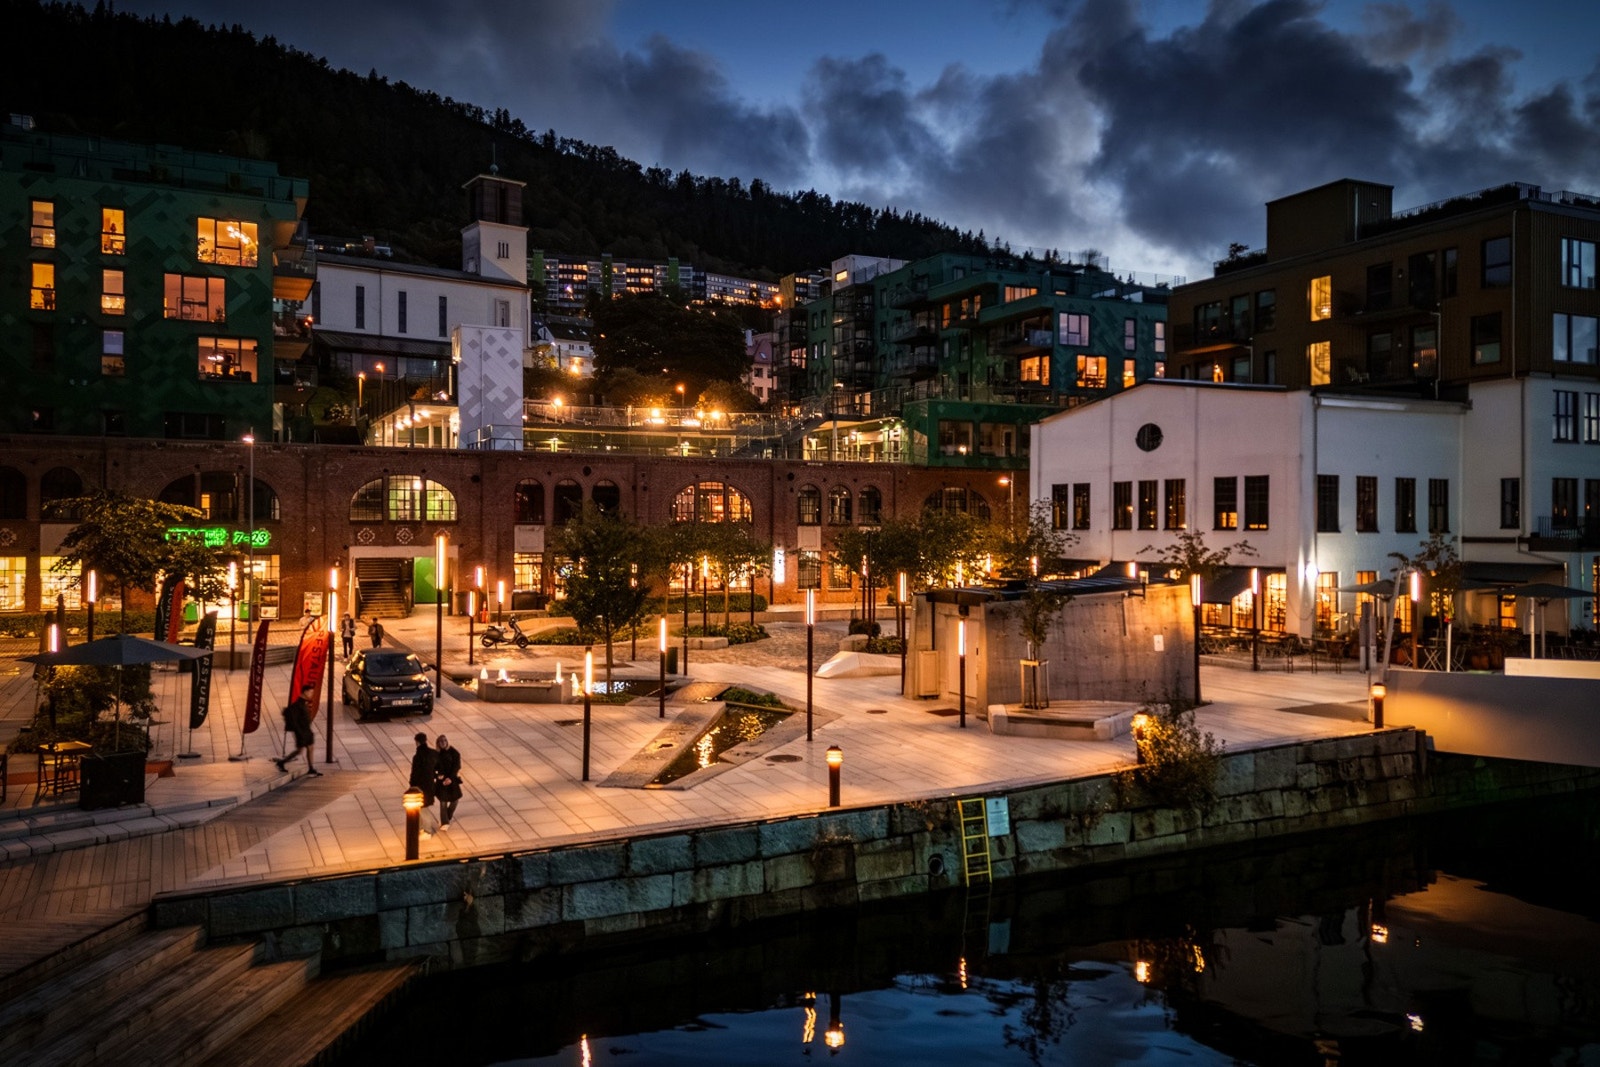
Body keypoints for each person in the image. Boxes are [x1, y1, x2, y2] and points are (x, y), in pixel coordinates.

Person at [275, 684, 320, 776]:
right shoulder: (297, 705)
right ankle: (281, 762)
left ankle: (311, 768)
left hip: (306, 730)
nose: (311, 695)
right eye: (310, 692)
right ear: (305, 692)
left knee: (309, 748)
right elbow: (294, 720)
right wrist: (299, 732)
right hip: (301, 732)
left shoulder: (303, 703)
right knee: (300, 750)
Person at [408, 731, 438, 836]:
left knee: (422, 808)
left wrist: (412, 785)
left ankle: (427, 830)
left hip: (420, 786)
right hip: (430, 785)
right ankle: (421, 828)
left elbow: (415, 772)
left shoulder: (418, 756)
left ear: (417, 742)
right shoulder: (433, 753)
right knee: (421, 807)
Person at [434, 735, 462, 830]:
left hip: (452, 779)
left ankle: (447, 816)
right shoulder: (436, 754)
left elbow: (457, 766)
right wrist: (437, 775)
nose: (443, 743)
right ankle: (444, 822)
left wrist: (450, 778)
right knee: (443, 801)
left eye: (444, 741)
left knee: (455, 800)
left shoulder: (454, 753)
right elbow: (432, 767)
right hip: (442, 781)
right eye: (441, 742)